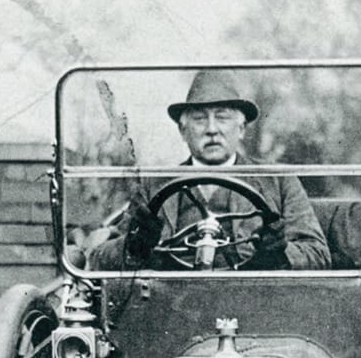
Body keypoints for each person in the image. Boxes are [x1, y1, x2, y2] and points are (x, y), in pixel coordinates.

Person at [89, 70, 331, 271]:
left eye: (222, 118)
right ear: (183, 132)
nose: (212, 129)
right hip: (173, 307)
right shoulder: (155, 185)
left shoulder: (278, 181)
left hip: (258, 304)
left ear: (242, 129)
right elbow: (100, 258)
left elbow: (318, 254)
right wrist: (135, 246)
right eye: (200, 119)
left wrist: (279, 253)